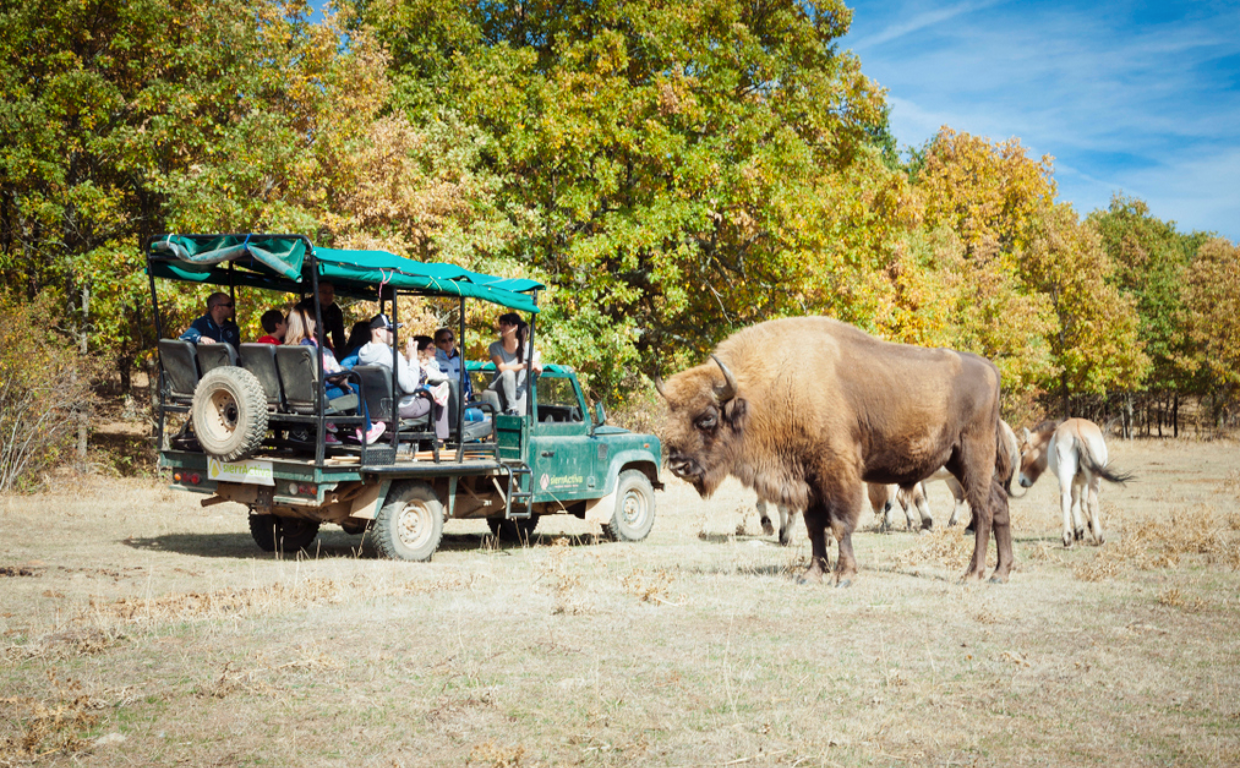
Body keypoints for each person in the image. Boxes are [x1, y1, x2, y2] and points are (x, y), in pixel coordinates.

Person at [286, 307, 384, 445]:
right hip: (316, 395)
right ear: (308, 324)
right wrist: (340, 380)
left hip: (297, 395)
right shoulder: (309, 346)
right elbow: (322, 374)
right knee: (356, 387)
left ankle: (343, 429)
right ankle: (367, 430)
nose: (316, 325)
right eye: (314, 321)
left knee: (349, 386)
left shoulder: (289, 347)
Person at [357, 315, 449, 442]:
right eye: (389, 330)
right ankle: (440, 443)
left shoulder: (362, 353)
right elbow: (409, 387)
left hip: (375, 409)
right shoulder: (392, 354)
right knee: (440, 398)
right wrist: (412, 359)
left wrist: (405, 360)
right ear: (378, 332)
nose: (394, 334)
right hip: (402, 407)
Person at [487, 312, 542, 416]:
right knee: (508, 373)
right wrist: (525, 366)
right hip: (499, 391)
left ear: (515, 327)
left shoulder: (528, 348)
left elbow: (537, 365)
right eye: (501, 324)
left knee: (520, 426)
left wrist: (538, 368)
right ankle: (512, 409)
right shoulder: (495, 347)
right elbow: (503, 368)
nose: (501, 327)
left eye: (505, 324)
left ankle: (514, 411)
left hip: (519, 392)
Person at [295, 281, 346, 352]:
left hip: (322, 342)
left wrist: (342, 354)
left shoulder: (335, 311)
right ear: (315, 293)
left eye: (331, 292)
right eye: (324, 292)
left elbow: (339, 337)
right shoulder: (305, 306)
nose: (328, 296)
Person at [434, 326, 473, 403]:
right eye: (443, 341)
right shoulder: (434, 360)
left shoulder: (459, 360)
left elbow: (467, 382)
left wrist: (465, 397)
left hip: (461, 401)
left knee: (479, 414)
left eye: (450, 339)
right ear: (437, 343)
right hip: (442, 400)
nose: (448, 343)